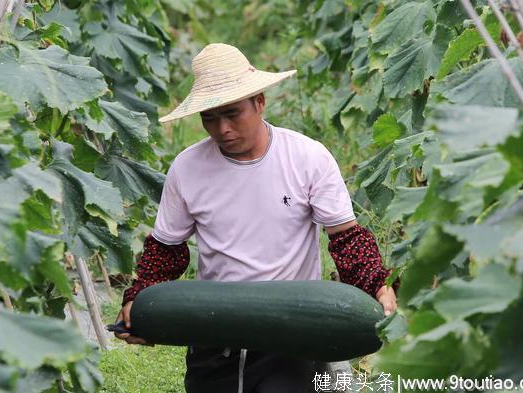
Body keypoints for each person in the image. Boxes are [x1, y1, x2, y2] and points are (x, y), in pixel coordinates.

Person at [114, 43, 399, 393]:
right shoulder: (186, 168)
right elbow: (166, 249)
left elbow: (347, 239)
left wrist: (378, 286)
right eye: (209, 117)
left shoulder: (308, 158)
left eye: (232, 114)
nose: (222, 129)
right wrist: (138, 298)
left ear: (259, 102)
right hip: (215, 334)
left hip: (292, 332)